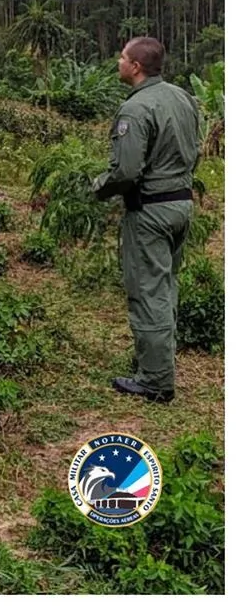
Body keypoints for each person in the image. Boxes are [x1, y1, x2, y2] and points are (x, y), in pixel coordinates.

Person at [92, 37, 200, 404]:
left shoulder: (136, 110)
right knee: (166, 286)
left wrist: (99, 187)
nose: (118, 61)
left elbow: (125, 171)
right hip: (181, 206)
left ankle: (155, 381)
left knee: (148, 292)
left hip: (150, 210)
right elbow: (194, 150)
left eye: (122, 57)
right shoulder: (182, 98)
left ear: (135, 66)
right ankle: (156, 362)